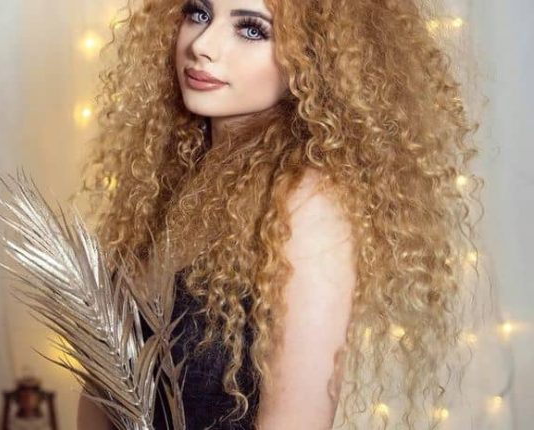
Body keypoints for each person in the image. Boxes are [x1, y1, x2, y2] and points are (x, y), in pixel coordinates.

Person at [77, 0, 482, 428]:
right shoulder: (168, 186)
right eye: (198, 13)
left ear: (313, 54)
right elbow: (103, 389)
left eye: (252, 29)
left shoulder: (307, 202)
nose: (202, 45)